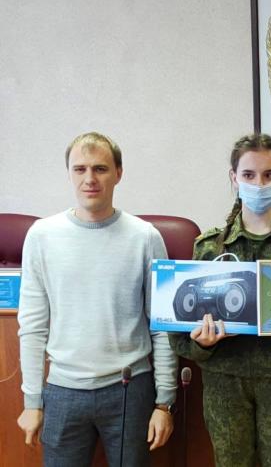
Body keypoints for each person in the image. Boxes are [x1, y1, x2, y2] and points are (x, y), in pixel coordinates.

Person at [169, 133, 271, 467]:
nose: (259, 184)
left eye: (269, 175)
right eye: (248, 174)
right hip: (225, 383)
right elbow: (180, 335)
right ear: (234, 178)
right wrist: (202, 343)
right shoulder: (209, 249)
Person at [17, 132, 178, 467]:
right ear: (69, 174)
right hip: (62, 390)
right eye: (80, 169)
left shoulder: (145, 237)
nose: (89, 178)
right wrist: (32, 401)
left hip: (130, 389)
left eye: (100, 169)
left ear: (118, 173)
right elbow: (32, 325)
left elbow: (162, 326)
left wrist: (164, 402)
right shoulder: (42, 236)